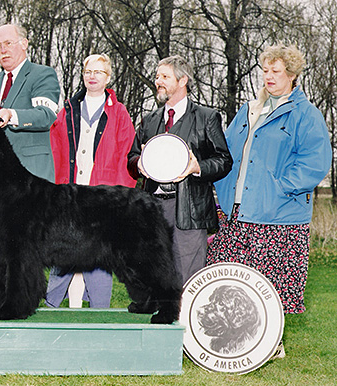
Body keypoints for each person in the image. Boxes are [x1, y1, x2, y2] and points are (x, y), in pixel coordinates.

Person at [207, 44, 332, 358]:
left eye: (276, 71)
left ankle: (271, 343)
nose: (269, 77)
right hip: (235, 212)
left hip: (277, 216)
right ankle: (232, 345)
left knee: (269, 285)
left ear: (292, 75)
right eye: (265, 70)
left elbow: (315, 162)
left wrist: (279, 187)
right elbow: (227, 152)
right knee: (230, 282)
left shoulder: (305, 114)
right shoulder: (250, 109)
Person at [127, 55, 232, 286]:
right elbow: (131, 159)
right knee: (154, 275)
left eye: (165, 76)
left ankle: (184, 322)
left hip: (190, 209)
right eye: (157, 77)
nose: (158, 81)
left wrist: (198, 167)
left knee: (188, 279)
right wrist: (139, 165)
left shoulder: (207, 117)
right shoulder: (149, 120)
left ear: (182, 80)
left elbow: (224, 160)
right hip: (153, 209)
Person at [45, 54, 137, 308]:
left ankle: (100, 312)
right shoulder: (67, 110)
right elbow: (56, 150)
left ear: (108, 78)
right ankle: (50, 309)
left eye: (99, 72)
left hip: (101, 198)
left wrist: (118, 199)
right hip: (70, 195)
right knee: (63, 253)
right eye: (88, 71)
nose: (92, 76)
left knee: (99, 258)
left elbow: (126, 155)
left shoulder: (119, 113)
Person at [0, 24, 60, 298]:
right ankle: (0, 301)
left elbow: (46, 115)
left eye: (9, 43)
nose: (3, 50)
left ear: (24, 44)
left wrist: (13, 115)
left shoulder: (42, 75)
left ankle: (25, 302)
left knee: (26, 249)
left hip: (31, 182)